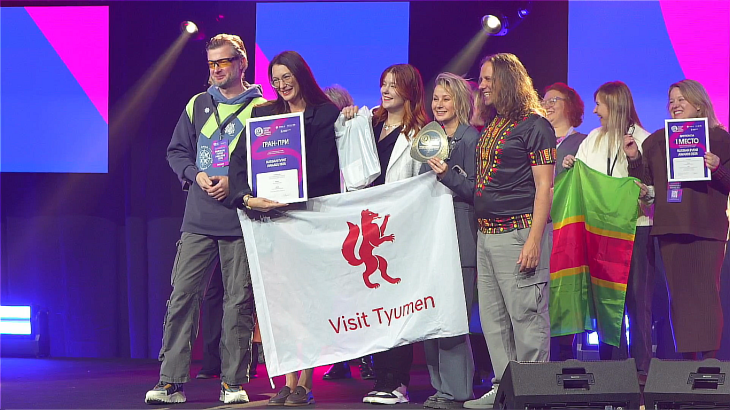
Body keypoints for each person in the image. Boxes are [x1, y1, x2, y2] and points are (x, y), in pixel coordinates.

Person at [146, 33, 266, 405]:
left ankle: (233, 382)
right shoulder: (198, 104)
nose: (216, 69)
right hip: (198, 219)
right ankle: (170, 382)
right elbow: (176, 152)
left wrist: (236, 182)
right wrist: (195, 175)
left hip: (240, 218)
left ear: (242, 63)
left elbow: (272, 162)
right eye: (212, 63)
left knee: (238, 303)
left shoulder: (263, 107)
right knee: (182, 296)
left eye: (223, 62)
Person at [226, 50, 341, 407]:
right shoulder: (263, 115)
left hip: (309, 219)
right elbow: (238, 164)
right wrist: (248, 198)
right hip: (273, 222)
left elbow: (328, 168)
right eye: (275, 80)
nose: (281, 85)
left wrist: (292, 189)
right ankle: (287, 381)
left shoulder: (326, 114)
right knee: (281, 305)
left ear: (300, 74)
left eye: (286, 77)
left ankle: (305, 381)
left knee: (308, 302)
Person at [464, 53, 555, 409]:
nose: (482, 85)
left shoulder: (536, 126)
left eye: (488, 79)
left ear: (507, 80)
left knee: (526, 316)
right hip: (487, 235)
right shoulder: (494, 124)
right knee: (494, 319)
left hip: (518, 234)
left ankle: (533, 393)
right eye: (482, 79)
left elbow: (544, 187)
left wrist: (534, 240)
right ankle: (504, 389)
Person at [342, 63, 428, 405]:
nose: (386, 90)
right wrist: (347, 119)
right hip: (368, 226)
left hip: (400, 228)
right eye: (383, 84)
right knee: (375, 306)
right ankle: (381, 378)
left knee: (397, 308)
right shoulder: (369, 123)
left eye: (394, 85)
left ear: (409, 90)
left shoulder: (420, 132)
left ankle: (398, 382)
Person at [626, 79, 730, 360]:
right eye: (671, 100)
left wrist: (717, 168)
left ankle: (710, 362)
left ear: (699, 104)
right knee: (680, 297)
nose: (675, 105)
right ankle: (688, 364)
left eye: (682, 99)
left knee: (706, 294)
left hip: (707, 228)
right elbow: (646, 185)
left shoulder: (721, 140)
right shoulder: (655, 142)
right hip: (670, 226)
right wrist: (634, 158)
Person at [562, 81, 654, 382]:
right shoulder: (592, 139)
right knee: (604, 300)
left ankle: (641, 370)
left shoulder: (644, 141)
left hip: (635, 231)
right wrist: (572, 167)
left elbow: (654, 191)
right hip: (600, 233)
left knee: (637, 302)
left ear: (614, 106)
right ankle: (612, 368)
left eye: (599, 104)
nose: (594, 111)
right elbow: (583, 179)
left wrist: (640, 178)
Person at [419, 72, 479, 409]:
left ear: (460, 101)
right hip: (432, 240)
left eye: (446, 98)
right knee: (433, 316)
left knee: (453, 318)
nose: (439, 104)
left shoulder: (472, 139)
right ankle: (440, 386)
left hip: (461, 239)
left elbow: (476, 191)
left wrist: (447, 176)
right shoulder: (430, 138)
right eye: (435, 99)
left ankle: (456, 390)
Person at [320, 84, 376, 381]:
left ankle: (368, 357)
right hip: (330, 223)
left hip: (355, 220)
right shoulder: (318, 138)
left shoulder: (355, 129)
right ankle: (340, 358)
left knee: (362, 293)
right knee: (336, 294)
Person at [542, 82, 587, 361]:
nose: (546, 105)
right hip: (539, 226)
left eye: (553, 100)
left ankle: (564, 354)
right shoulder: (536, 140)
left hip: (567, 229)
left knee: (564, 291)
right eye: (544, 100)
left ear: (569, 105)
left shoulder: (583, 142)